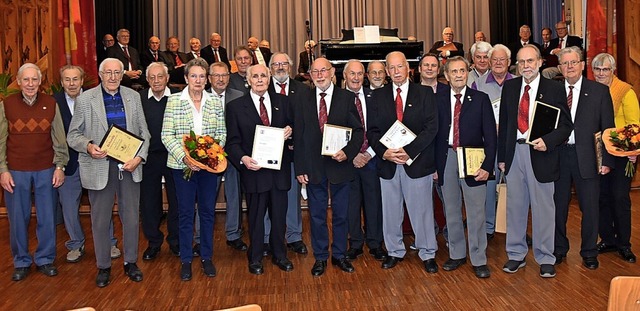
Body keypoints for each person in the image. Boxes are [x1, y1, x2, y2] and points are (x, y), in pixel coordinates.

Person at [67, 58, 150, 287]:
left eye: (117, 72)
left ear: (123, 74)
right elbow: (73, 135)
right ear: (100, 74)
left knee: (132, 219)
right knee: (100, 221)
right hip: (99, 167)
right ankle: (103, 266)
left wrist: (139, 157)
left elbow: (145, 132)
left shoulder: (133, 97)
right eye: (108, 72)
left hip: (130, 167)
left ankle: (130, 262)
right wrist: (88, 146)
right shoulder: (85, 100)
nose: (113, 77)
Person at [497, 45, 572, 278]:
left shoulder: (554, 88)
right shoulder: (510, 87)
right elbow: (505, 125)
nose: (526, 66)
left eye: (530, 61)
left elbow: (566, 126)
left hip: (541, 153)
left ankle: (545, 256)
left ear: (540, 62)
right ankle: (516, 254)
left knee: (544, 209)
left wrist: (547, 142)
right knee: (515, 208)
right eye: (521, 62)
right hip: (514, 155)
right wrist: (502, 158)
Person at [367, 51, 439, 273]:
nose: (396, 71)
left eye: (400, 67)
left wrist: (408, 152)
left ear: (408, 68)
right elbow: (372, 131)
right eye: (392, 68)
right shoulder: (377, 97)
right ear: (387, 71)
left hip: (416, 162)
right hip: (388, 164)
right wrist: (384, 152)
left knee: (422, 211)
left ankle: (428, 252)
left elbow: (431, 128)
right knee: (390, 211)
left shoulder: (425, 93)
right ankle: (394, 251)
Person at [294, 57, 363, 276]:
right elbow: (299, 136)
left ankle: (340, 255)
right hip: (313, 167)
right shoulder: (302, 98)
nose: (320, 75)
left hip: (340, 165)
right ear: (310, 75)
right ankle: (321, 257)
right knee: (317, 215)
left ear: (332, 72)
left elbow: (358, 131)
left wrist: (348, 153)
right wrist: (300, 169)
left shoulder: (345, 98)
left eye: (324, 70)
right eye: (315, 72)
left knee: (342, 214)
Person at [1, 63, 69, 281]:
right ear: (19, 82)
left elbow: (59, 139)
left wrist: (60, 166)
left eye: (34, 80)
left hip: (46, 170)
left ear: (41, 82)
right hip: (15, 171)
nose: (30, 84)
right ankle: (21, 261)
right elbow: (0, 140)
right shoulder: (6, 105)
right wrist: (3, 170)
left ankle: (45, 259)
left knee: (47, 217)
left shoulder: (51, 103)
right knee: (18, 218)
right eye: (26, 80)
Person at [161, 58, 226, 281]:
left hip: (209, 168)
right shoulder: (174, 101)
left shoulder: (215, 102)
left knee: (208, 212)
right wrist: (185, 158)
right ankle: (186, 260)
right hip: (182, 167)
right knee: (186, 213)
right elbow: (166, 135)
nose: (197, 80)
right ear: (187, 78)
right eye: (193, 76)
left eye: (201, 76)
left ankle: (206, 257)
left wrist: (209, 157)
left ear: (206, 79)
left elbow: (222, 133)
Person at [225, 64, 294, 275]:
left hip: (279, 172)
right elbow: (232, 143)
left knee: (279, 216)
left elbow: (296, 129)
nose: (260, 79)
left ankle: (280, 254)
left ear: (270, 77)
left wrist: (291, 132)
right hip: (253, 172)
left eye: (263, 75)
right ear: (248, 80)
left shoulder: (283, 102)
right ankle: (255, 257)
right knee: (255, 218)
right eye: (255, 76)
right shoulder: (236, 106)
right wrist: (243, 159)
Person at [553, 47, 615, 269]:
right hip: (559, 156)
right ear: (559, 67)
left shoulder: (599, 91)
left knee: (590, 206)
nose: (569, 67)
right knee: (558, 206)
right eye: (565, 63)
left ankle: (589, 251)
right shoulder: (553, 91)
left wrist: (607, 161)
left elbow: (608, 128)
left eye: (573, 62)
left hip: (589, 157)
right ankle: (559, 249)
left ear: (582, 65)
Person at [434, 56, 495, 278]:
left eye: (462, 71)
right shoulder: (438, 100)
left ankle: (479, 258)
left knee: (476, 211)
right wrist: (434, 166)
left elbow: (491, 136)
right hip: (447, 158)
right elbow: (433, 135)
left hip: (473, 159)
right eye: (454, 72)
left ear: (467, 73)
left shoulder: (480, 99)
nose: (459, 75)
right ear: (447, 75)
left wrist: (488, 165)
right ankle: (457, 254)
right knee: (451, 208)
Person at [54, 65, 120, 262]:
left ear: (82, 81)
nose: (72, 83)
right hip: (69, 163)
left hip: (96, 160)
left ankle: (110, 242)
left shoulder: (97, 97)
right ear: (62, 82)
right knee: (68, 205)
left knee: (101, 205)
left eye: (76, 79)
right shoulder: (53, 103)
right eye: (67, 79)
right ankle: (76, 244)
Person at [593, 52, 640, 263]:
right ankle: (608, 239)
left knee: (619, 198)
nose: (601, 73)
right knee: (601, 197)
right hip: (599, 154)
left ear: (613, 71)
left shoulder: (625, 91)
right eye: (597, 70)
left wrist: (631, 152)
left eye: (606, 69)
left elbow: (634, 126)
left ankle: (624, 244)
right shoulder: (591, 91)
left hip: (623, 155)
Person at [264, 52, 310, 255]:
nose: (280, 67)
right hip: (268, 153)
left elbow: (307, 122)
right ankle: (266, 237)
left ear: (290, 67)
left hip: (294, 153)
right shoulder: (262, 89)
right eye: (276, 64)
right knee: (266, 196)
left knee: (292, 196)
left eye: (284, 63)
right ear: (270, 68)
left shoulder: (303, 90)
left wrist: (293, 139)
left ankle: (294, 236)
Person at [342, 60, 387, 262]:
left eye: (360, 73)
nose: (356, 77)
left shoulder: (375, 97)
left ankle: (375, 243)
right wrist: (352, 155)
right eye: (352, 73)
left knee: (374, 203)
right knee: (351, 204)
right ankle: (356, 243)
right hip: (348, 161)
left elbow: (379, 130)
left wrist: (368, 153)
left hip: (372, 158)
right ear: (344, 76)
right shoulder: (338, 99)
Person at [471, 44, 515, 239]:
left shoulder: (517, 83)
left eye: (502, 60)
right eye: (494, 60)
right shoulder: (477, 85)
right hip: (487, 144)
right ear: (489, 62)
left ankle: (513, 227)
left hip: (511, 144)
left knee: (514, 187)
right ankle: (488, 227)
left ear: (509, 63)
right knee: (487, 188)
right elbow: (472, 115)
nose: (498, 63)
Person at [139, 62, 180, 260]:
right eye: (152, 78)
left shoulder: (179, 98)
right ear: (147, 80)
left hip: (175, 156)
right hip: (148, 158)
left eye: (160, 77)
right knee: (149, 202)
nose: (156, 81)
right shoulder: (139, 100)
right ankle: (153, 242)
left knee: (177, 200)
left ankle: (176, 241)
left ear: (167, 78)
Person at [207, 61, 247, 252]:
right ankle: (201, 237)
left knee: (234, 195)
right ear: (209, 78)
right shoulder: (201, 97)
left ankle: (234, 234)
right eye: (216, 75)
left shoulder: (240, 96)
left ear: (228, 78)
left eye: (224, 75)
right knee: (206, 196)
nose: (220, 79)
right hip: (208, 156)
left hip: (233, 153)